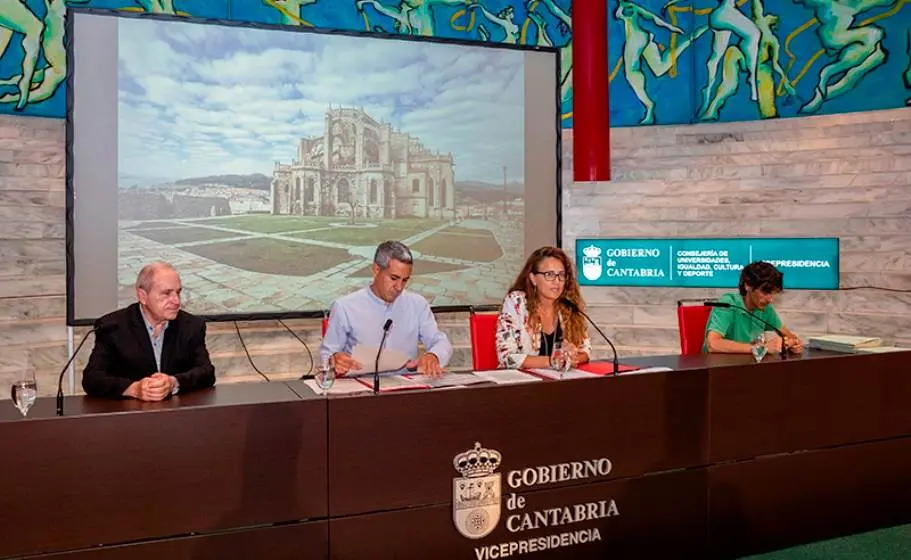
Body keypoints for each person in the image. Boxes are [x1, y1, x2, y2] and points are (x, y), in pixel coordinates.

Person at [82, 262, 215, 400]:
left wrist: (172, 383)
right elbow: (92, 378)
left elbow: (206, 373)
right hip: (130, 416)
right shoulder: (113, 326)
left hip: (177, 414)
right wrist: (133, 389)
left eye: (178, 292)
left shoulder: (191, 325)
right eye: (166, 293)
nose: (176, 301)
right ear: (143, 296)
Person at [320, 241, 452, 376]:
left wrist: (434, 355)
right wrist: (335, 359)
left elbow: (439, 341)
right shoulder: (345, 307)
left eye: (405, 280)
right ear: (376, 270)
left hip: (404, 386)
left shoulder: (417, 304)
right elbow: (328, 354)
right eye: (394, 278)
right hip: (361, 387)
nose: (399, 287)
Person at [496, 246, 591, 369]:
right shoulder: (517, 302)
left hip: (558, 382)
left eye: (561, 275)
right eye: (549, 274)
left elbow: (586, 350)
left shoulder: (568, 304)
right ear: (533, 278)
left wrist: (571, 357)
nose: (557, 281)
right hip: (523, 383)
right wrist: (552, 361)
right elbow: (507, 357)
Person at [704, 261, 804, 354]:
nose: (770, 300)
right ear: (748, 286)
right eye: (765, 292)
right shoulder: (728, 303)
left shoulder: (765, 308)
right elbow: (713, 344)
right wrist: (761, 348)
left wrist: (795, 343)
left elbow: (788, 335)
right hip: (716, 368)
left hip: (748, 366)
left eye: (773, 293)